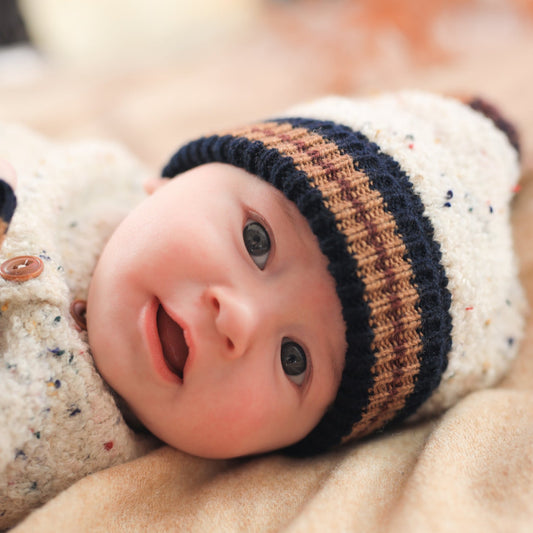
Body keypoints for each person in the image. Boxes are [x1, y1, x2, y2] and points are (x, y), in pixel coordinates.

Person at [0, 90, 526, 528]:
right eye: (257, 239)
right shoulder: (76, 176)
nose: (240, 319)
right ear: (176, 179)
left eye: (294, 360)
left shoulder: (94, 479)